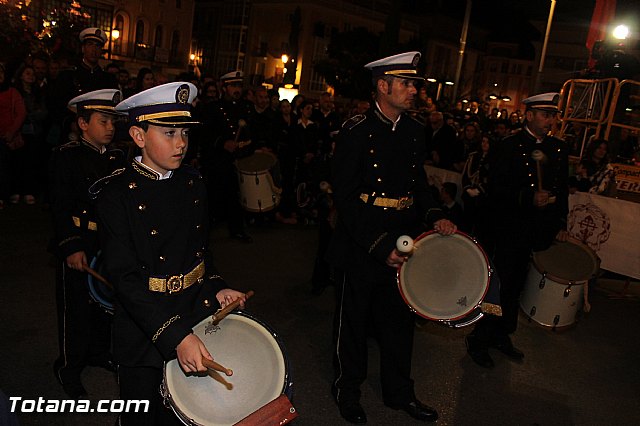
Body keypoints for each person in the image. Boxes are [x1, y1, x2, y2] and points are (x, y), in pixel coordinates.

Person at [95, 82, 248, 425]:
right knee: (143, 415)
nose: (181, 143)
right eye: (168, 133)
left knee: (192, 414)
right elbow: (124, 280)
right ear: (138, 136)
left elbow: (200, 254)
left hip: (193, 311)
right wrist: (175, 335)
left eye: (184, 132)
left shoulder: (193, 184)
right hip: (145, 326)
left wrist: (217, 286)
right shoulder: (116, 196)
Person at [327, 51, 456, 424]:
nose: (414, 90)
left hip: (404, 238)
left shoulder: (415, 132)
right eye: (406, 83)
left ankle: (400, 393)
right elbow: (346, 198)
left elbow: (418, 185)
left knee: (399, 323)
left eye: (415, 84)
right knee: (352, 324)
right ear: (382, 86)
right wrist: (379, 245)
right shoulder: (355, 131)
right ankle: (347, 390)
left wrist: (435, 216)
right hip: (362, 241)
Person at [465, 92, 569, 369]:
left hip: (535, 231)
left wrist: (560, 223)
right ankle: (479, 337)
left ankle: (502, 334)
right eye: (545, 115)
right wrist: (526, 197)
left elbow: (563, 189)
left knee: (516, 288)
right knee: (498, 286)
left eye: (553, 115)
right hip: (507, 229)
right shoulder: (508, 146)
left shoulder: (557, 149)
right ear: (530, 115)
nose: (550, 121)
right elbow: (495, 190)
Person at [49, 89, 126, 398]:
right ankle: (68, 366)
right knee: (75, 308)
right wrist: (71, 245)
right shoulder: (65, 156)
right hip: (80, 240)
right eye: (103, 120)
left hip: (107, 243)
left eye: (113, 121)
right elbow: (58, 205)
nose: (110, 127)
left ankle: (97, 352)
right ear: (82, 124)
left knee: (105, 305)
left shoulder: (119, 156)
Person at [48, 28, 118, 145]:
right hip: (72, 134)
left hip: (100, 137)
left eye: (98, 46)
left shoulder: (108, 79)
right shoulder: (68, 76)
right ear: (83, 48)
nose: (94, 50)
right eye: (90, 45)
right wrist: (69, 122)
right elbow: (56, 105)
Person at [0, 63, 27, 210]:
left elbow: (21, 113)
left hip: (7, 136)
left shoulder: (12, 92)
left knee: (5, 166)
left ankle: (4, 195)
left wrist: (11, 132)